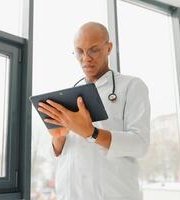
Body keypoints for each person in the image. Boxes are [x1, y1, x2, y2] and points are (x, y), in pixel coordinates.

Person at [37, 22, 151, 200]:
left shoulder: (131, 86)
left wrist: (92, 133)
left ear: (109, 48)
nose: (86, 58)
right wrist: (58, 139)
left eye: (93, 50)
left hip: (114, 194)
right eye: (79, 51)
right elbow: (59, 156)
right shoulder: (68, 96)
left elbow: (140, 144)